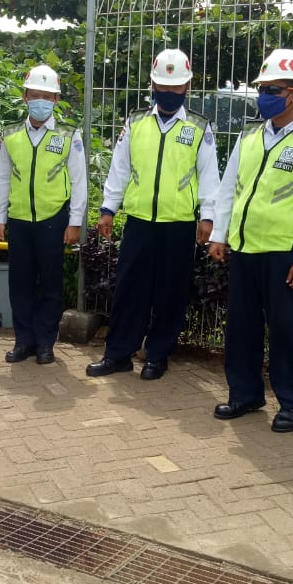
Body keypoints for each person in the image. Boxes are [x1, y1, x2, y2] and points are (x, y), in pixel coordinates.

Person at [208, 48, 293, 433]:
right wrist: (219, 234)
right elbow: (229, 187)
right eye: (262, 88)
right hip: (244, 249)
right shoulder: (249, 135)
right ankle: (244, 394)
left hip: (284, 252)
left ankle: (291, 402)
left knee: (285, 330)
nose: (263, 96)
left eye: (272, 90)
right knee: (241, 327)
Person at [85, 49, 219, 380]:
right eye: (163, 86)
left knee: (171, 293)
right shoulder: (135, 123)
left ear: (187, 87)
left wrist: (208, 217)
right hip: (140, 222)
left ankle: (157, 356)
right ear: (153, 85)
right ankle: (118, 354)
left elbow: (209, 176)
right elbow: (120, 168)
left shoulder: (199, 128)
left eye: (175, 87)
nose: (169, 92)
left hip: (179, 225)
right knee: (129, 289)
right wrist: (108, 208)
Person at [0, 65, 87, 365]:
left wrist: (74, 222)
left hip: (53, 220)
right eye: (35, 95)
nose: (41, 102)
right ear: (25, 97)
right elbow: (2, 178)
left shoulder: (68, 135)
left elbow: (79, 182)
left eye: (47, 96)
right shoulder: (11, 135)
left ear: (56, 100)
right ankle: (24, 341)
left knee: (50, 284)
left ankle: (45, 342)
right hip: (19, 220)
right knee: (19, 284)